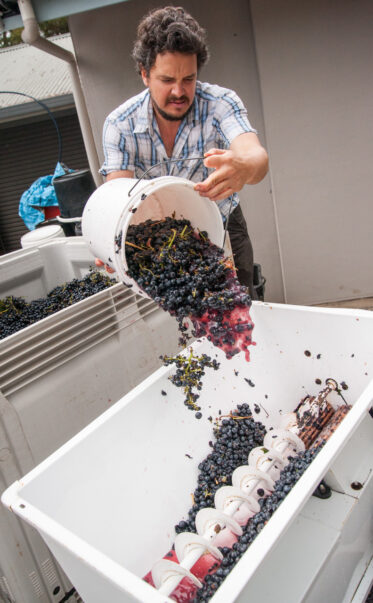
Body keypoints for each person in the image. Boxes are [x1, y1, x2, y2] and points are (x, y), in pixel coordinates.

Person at [98, 6, 268, 299]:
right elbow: (118, 197)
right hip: (159, 234)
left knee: (240, 306)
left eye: (188, 79)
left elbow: (256, 157)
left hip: (222, 219)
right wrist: (109, 238)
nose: (179, 91)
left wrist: (245, 167)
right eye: (166, 80)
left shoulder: (220, 103)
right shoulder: (120, 124)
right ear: (144, 74)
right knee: (180, 308)